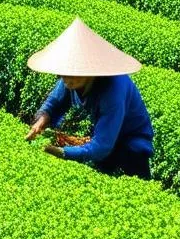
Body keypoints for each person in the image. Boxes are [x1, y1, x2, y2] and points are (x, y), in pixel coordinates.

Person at [24, 18, 153, 179]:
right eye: (64, 73)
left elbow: (101, 146)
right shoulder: (69, 79)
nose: (67, 79)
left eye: (74, 73)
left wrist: (62, 152)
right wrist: (40, 122)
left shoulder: (112, 91)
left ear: (91, 70)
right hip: (106, 138)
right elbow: (54, 103)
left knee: (137, 188)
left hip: (132, 146)